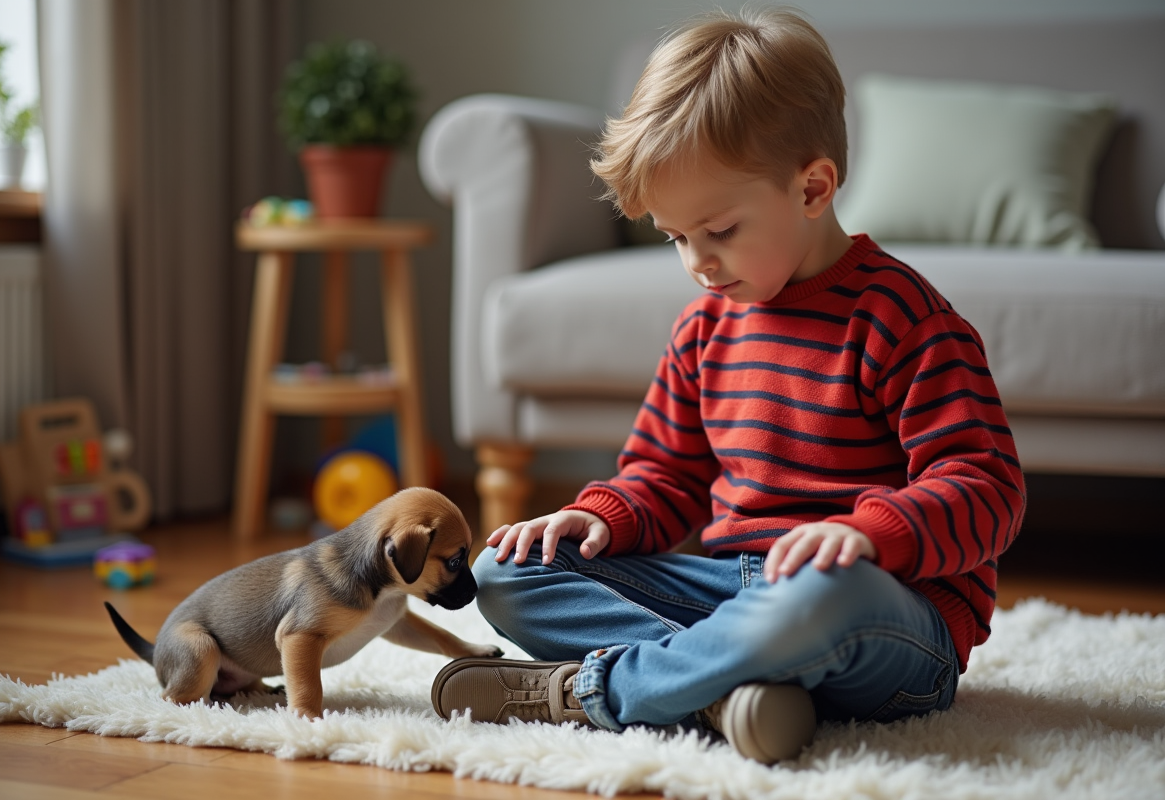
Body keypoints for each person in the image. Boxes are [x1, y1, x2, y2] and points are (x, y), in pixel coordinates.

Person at [430, 7, 1025, 765]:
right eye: (678, 238)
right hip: (731, 591)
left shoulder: (905, 320)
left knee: (818, 599)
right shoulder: (705, 328)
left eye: (720, 230)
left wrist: (872, 536)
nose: (699, 264)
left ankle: (602, 693)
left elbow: (988, 487)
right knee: (503, 573)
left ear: (813, 189)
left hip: (876, 613)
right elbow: (664, 475)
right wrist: (601, 517)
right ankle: (726, 688)